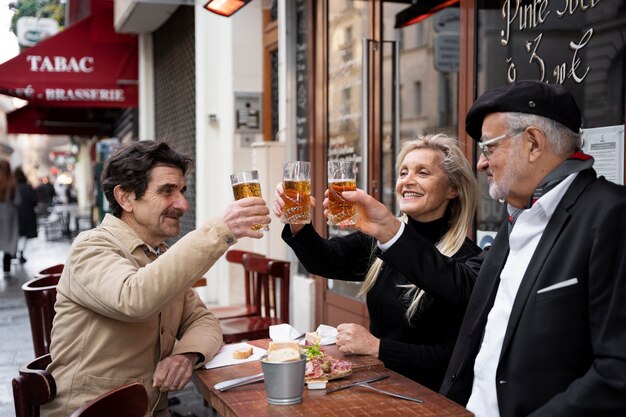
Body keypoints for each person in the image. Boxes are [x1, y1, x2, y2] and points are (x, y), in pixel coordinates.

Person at [336, 80, 626, 416]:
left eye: (489, 147)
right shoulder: (520, 219)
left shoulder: (610, 216)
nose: (481, 164)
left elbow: (616, 375)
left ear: (533, 143)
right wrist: (388, 228)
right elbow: (462, 286)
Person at [41, 140, 271, 416]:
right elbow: (134, 298)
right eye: (167, 191)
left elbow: (203, 320)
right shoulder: (91, 247)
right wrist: (219, 231)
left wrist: (186, 355)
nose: (183, 204)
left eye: (182, 191)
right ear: (125, 197)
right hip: (91, 411)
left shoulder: (159, 255)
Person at [273, 134, 482, 390]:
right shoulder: (382, 239)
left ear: (453, 188)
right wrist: (297, 222)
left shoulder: (466, 261)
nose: (407, 180)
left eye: (423, 172)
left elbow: (454, 360)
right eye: (403, 172)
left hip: (427, 398)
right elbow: (323, 261)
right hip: (379, 384)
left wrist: (377, 347)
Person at [14, 167, 38, 263]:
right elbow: (34, 200)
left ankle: (15, 252)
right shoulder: (28, 187)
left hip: (15, 215)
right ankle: (20, 252)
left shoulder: (13, 187)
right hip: (27, 214)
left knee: (17, 235)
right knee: (24, 236)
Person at [0, 160, 19, 278]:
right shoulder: (12, 183)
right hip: (9, 216)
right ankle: (6, 269)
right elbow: (18, 200)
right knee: (8, 243)